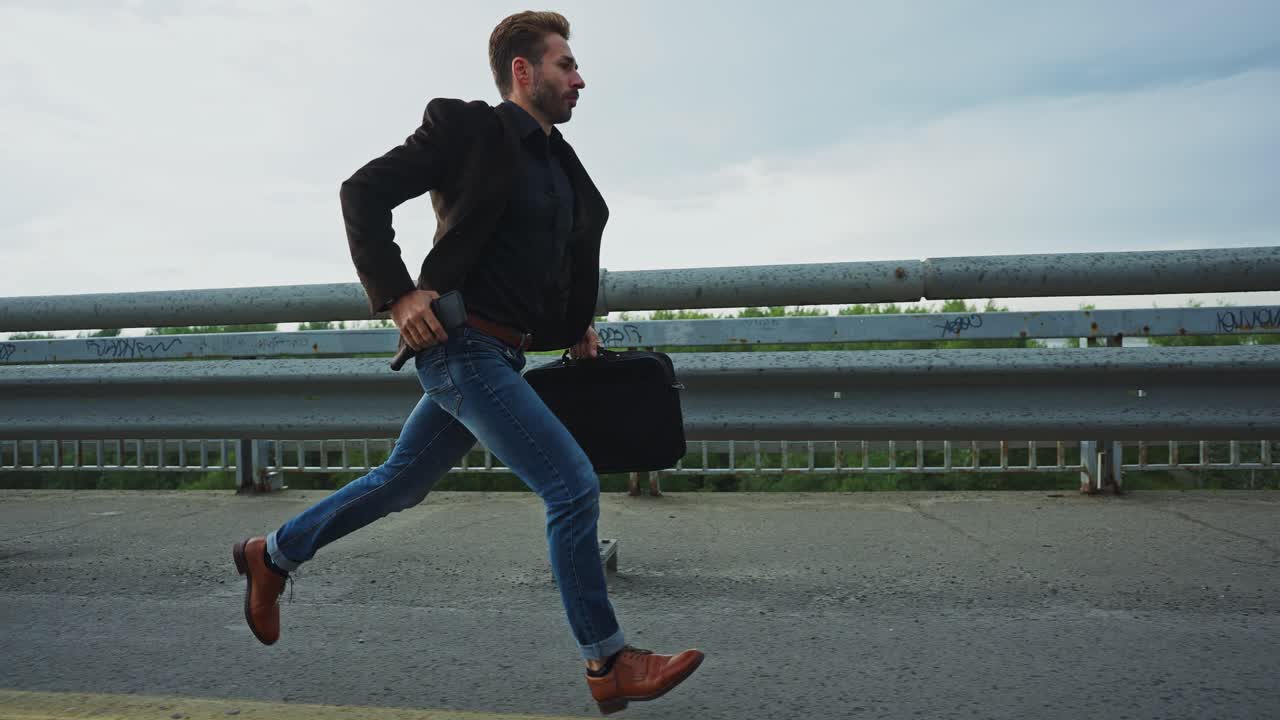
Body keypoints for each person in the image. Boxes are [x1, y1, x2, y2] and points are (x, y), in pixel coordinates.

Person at [231, 10, 703, 715]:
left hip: (502, 353)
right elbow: (361, 192)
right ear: (524, 71)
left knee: (400, 483)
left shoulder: (561, 165)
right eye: (565, 65)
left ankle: (271, 555)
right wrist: (396, 294)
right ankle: (608, 660)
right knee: (571, 487)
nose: (580, 79)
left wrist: (576, 326)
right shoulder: (467, 130)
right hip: (458, 346)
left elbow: (545, 257)